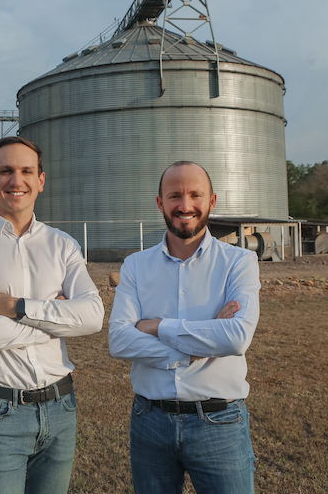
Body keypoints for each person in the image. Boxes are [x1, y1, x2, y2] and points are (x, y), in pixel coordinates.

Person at [0, 136, 104, 494]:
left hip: (61, 409)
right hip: (0, 411)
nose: (16, 181)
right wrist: (56, 322)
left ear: (41, 181)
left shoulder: (62, 244)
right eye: (6, 171)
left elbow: (93, 315)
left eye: (26, 171)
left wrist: (16, 307)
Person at [108, 161, 260, 494]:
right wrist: (195, 348)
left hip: (219, 422)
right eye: (175, 195)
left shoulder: (239, 263)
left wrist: (156, 326)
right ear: (160, 203)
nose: (185, 205)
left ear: (212, 201)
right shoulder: (136, 266)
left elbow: (236, 338)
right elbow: (119, 340)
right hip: (151, 421)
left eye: (195, 195)